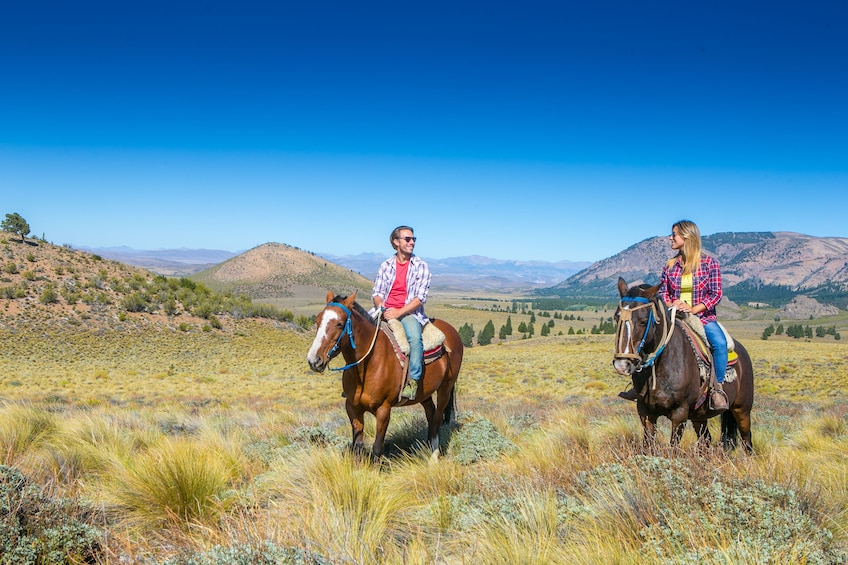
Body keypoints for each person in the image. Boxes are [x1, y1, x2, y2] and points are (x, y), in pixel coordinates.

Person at [651, 219, 729, 410]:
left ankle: (716, 389)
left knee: (719, 344)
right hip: (674, 317)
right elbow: (663, 293)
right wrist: (672, 304)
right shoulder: (669, 266)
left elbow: (716, 294)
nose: (670, 238)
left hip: (703, 318)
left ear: (687, 238)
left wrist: (693, 309)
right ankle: (643, 387)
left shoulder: (710, 264)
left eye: (674, 234)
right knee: (647, 338)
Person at [369, 226, 432, 399]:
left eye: (413, 239)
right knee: (357, 332)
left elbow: (420, 298)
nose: (412, 242)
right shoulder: (386, 265)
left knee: (414, 338)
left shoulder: (421, 266)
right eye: (407, 239)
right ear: (396, 242)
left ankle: (413, 381)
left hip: (408, 313)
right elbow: (377, 292)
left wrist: (398, 312)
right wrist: (380, 303)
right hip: (384, 309)